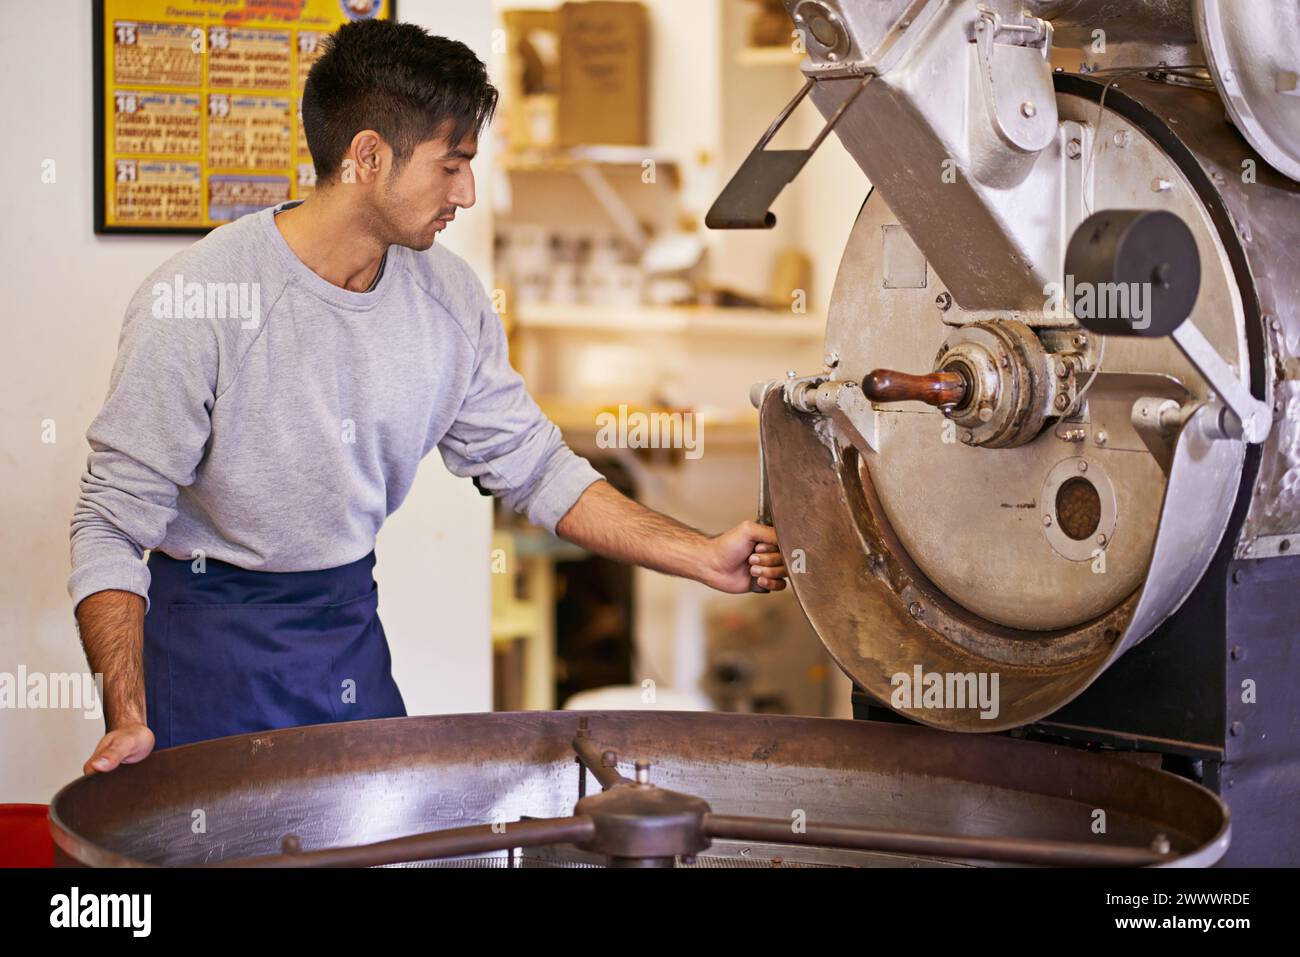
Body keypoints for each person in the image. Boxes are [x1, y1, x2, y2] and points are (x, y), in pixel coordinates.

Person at [70, 18, 788, 775]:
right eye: (452, 165)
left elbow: (538, 468)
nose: (469, 193)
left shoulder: (448, 298)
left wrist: (702, 555)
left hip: (345, 631)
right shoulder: (199, 303)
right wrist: (127, 715)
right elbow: (110, 523)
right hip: (207, 644)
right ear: (369, 157)